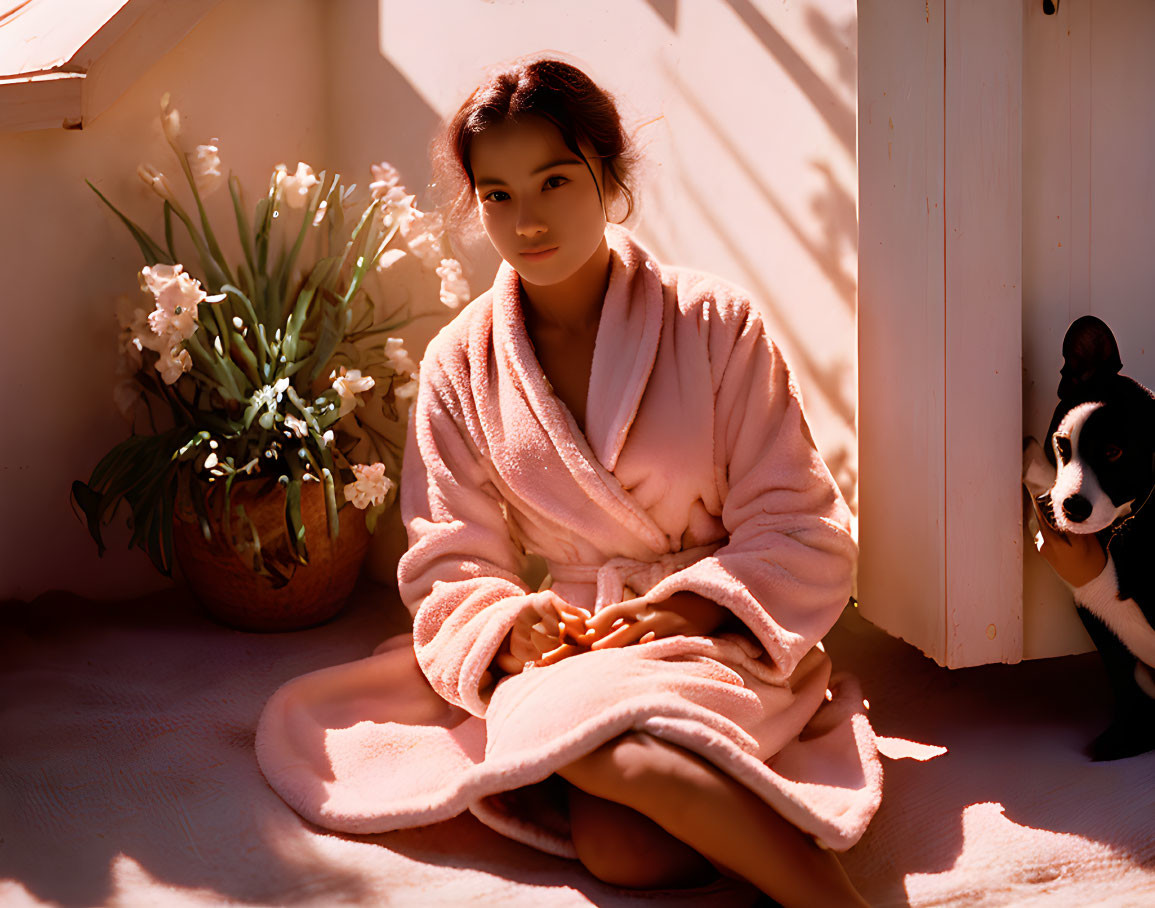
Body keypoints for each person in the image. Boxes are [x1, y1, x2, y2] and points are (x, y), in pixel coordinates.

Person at [393, 57, 879, 905]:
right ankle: (748, 821)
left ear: (607, 176)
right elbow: (446, 560)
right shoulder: (457, 365)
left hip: (719, 634)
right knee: (624, 851)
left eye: (553, 181)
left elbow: (801, 524)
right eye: (498, 194)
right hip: (573, 646)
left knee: (618, 825)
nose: (527, 220)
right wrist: (512, 627)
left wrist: (691, 603)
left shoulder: (716, 323)